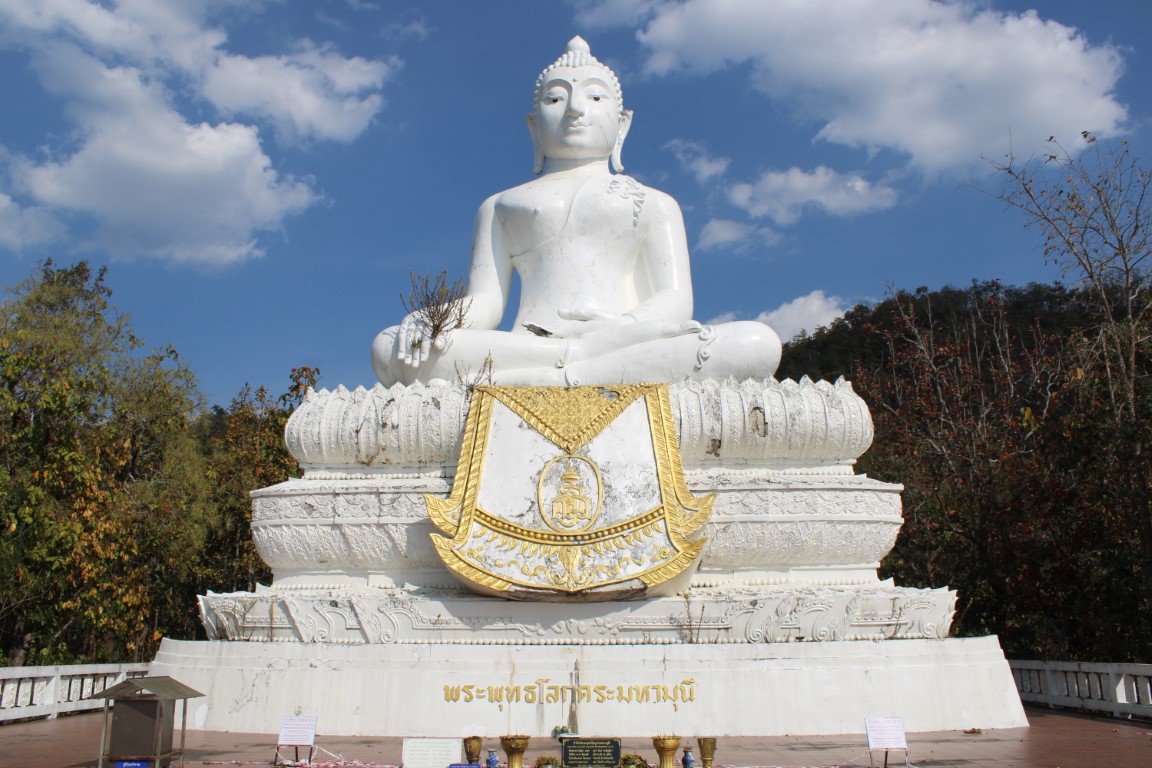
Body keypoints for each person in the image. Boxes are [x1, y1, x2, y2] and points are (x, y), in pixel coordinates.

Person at [372, 37, 781, 387]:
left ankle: (546, 377)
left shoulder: (655, 203)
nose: (574, 110)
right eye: (555, 98)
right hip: (532, 344)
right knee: (389, 346)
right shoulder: (501, 205)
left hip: (624, 340)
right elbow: (486, 303)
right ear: (534, 126)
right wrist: (435, 320)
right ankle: (577, 366)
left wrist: (622, 328)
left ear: (622, 125)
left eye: (595, 97)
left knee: (757, 342)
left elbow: (674, 301)